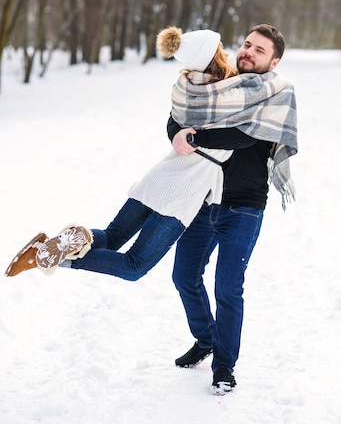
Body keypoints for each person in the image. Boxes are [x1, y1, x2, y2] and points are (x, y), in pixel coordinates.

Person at [5, 27, 297, 296]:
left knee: (110, 236)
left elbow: (175, 121)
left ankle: (63, 244)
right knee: (134, 266)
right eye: (222, 47)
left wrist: (181, 136)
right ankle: (45, 254)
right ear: (216, 55)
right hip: (184, 190)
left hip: (159, 176)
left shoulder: (189, 86)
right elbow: (244, 137)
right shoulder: (230, 92)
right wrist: (194, 139)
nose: (232, 50)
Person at [167, 24, 297, 394]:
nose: (248, 52)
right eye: (246, 44)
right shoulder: (218, 84)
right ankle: (206, 339)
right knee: (184, 276)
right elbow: (179, 111)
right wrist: (177, 134)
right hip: (203, 198)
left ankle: (224, 366)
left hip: (244, 204)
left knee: (228, 288)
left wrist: (197, 137)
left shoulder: (277, 92)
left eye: (259, 50)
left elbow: (247, 136)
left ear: (274, 60)